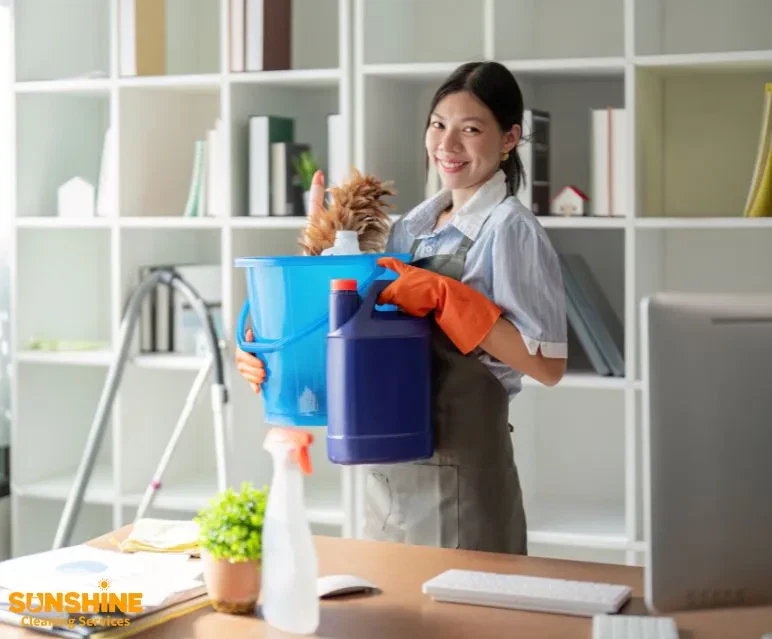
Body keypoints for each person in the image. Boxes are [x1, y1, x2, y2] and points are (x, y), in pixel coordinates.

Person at [236, 61, 567, 555]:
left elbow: (547, 364)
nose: (447, 145)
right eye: (438, 125)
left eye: (470, 129)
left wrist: (445, 296)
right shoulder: (411, 229)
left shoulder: (508, 228)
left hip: (462, 478)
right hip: (386, 471)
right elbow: (362, 340)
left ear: (507, 139)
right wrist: (269, 354)